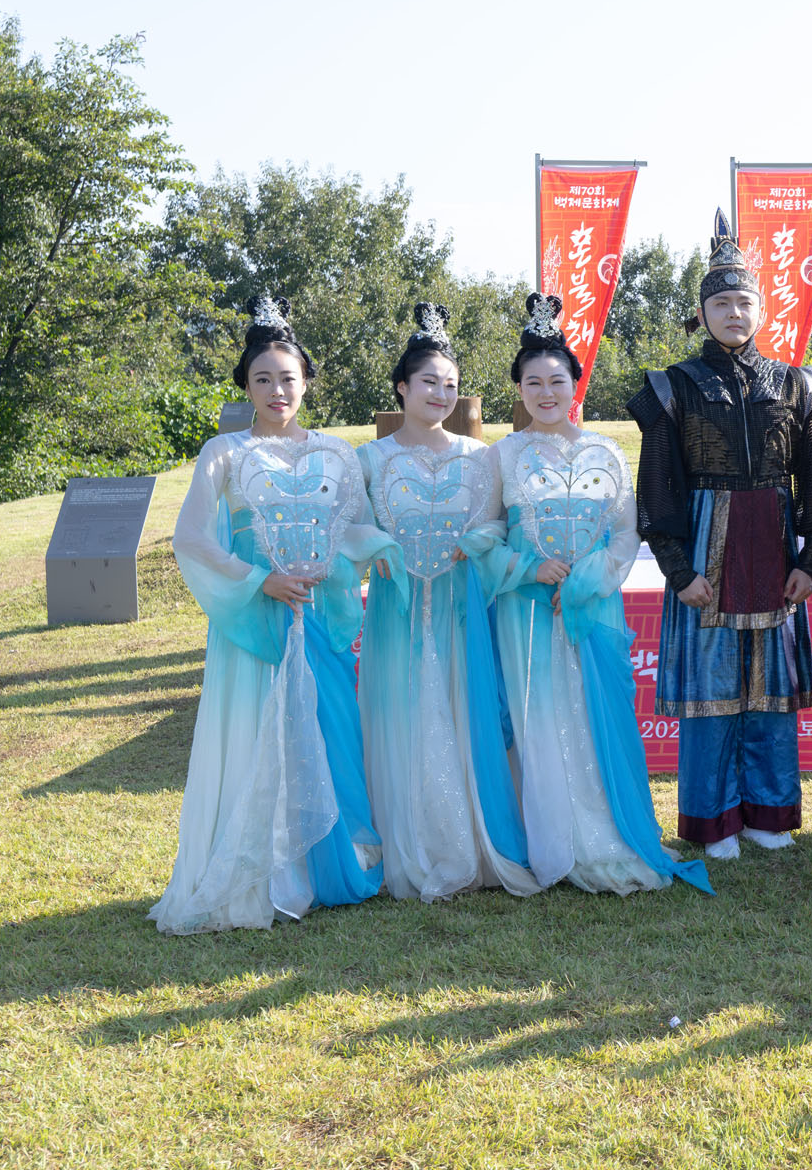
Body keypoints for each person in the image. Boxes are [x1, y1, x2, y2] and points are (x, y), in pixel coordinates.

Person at [152, 295, 387, 933]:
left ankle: (323, 865)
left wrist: (374, 553)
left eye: (288, 377)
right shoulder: (223, 452)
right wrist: (261, 579)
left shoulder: (337, 454)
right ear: (246, 387)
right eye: (263, 379)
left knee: (328, 731)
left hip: (317, 613)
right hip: (255, 618)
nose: (277, 391)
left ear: (306, 381)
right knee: (257, 734)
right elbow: (192, 538)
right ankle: (259, 874)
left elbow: (356, 529)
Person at [472, 294, 711, 896]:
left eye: (557, 380)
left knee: (593, 715)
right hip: (525, 611)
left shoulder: (605, 451)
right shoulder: (501, 456)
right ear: (518, 389)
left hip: (592, 609)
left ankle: (602, 833)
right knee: (535, 717)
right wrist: (528, 569)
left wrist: (584, 580)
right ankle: (548, 841)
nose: (546, 392)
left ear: (575, 384)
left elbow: (628, 535)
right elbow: (483, 537)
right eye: (533, 382)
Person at [631, 214, 812, 860]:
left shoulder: (797, 385)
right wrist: (677, 569)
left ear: (762, 310)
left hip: (773, 549)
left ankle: (768, 813)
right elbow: (657, 488)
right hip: (704, 550)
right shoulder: (673, 387)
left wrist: (810, 559)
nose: (734, 313)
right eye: (721, 304)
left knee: (771, 692)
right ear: (702, 313)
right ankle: (713, 821)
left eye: (744, 302)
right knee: (710, 689)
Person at [357, 302, 537, 902]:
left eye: (450, 385)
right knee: (401, 712)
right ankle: (409, 841)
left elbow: (496, 524)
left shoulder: (478, 456)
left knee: (463, 711)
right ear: (402, 387)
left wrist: (475, 542)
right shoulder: (369, 459)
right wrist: (378, 546)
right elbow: (351, 528)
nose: (440, 394)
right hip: (397, 609)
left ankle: (471, 840)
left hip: (461, 606)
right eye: (428, 382)